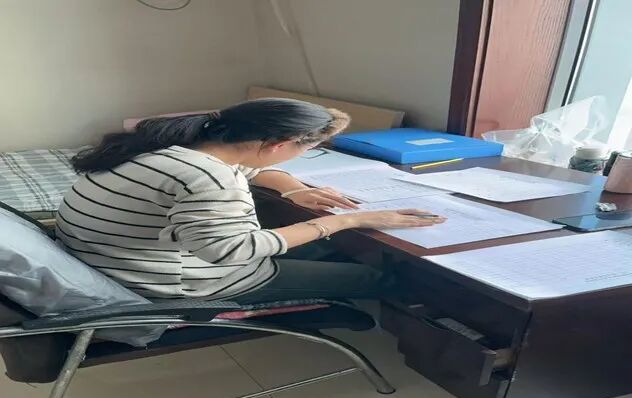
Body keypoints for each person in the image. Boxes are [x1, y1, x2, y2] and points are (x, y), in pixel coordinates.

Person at [57, 98, 445, 304]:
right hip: (174, 282)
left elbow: (254, 170)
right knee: (374, 275)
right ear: (278, 144)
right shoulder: (210, 177)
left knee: (330, 248)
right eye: (307, 149)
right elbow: (231, 252)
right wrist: (346, 220)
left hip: (113, 260)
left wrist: (293, 189)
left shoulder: (170, 150)